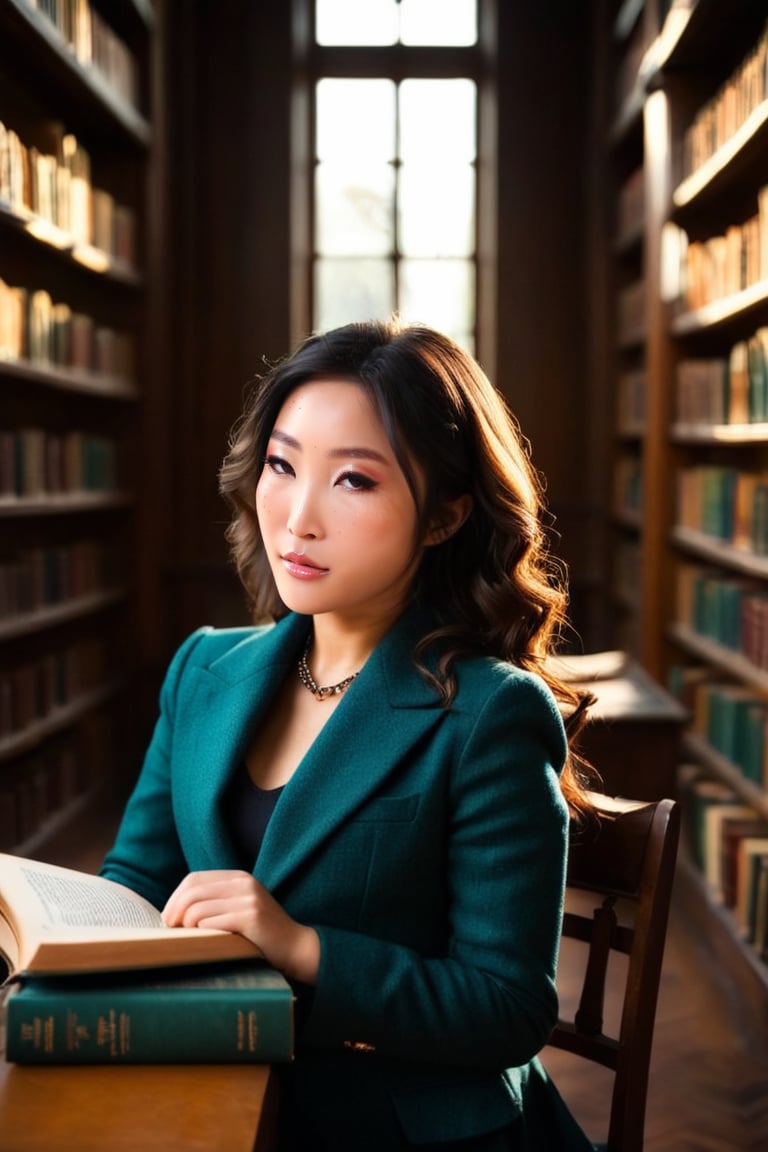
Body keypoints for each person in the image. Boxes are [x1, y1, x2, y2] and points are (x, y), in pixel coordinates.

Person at [100, 317, 597, 1151]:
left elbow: (508, 1009)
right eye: (283, 466)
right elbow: (136, 881)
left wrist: (303, 949)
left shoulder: (490, 715)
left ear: (444, 517)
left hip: (400, 1121)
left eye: (354, 482)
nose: (297, 519)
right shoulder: (203, 671)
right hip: (202, 1084)